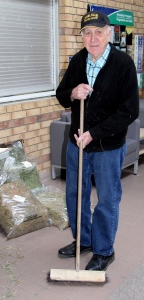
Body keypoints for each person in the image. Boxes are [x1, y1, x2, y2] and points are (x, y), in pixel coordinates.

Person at [56, 10, 139, 271]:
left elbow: (129, 111)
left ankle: (104, 250)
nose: (93, 38)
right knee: (75, 195)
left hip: (107, 146)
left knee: (106, 199)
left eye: (99, 32)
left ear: (109, 33)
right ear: (82, 37)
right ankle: (84, 240)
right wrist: (72, 92)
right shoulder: (78, 61)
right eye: (87, 33)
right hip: (77, 143)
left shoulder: (123, 64)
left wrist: (95, 133)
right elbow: (61, 94)